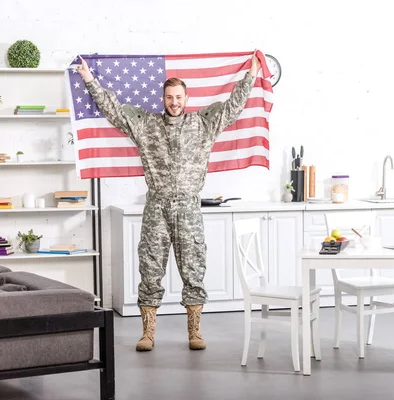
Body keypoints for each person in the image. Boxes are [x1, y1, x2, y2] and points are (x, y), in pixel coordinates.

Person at [77, 52, 262, 351]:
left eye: (178, 97)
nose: (174, 102)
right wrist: (89, 78)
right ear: (163, 99)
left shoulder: (204, 124)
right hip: (157, 207)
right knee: (150, 268)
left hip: (189, 207)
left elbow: (233, 107)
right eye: (169, 97)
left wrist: (251, 74)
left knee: (193, 268)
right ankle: (148, 333)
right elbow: (113, 110)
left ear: (186, 99)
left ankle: (195, 332)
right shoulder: (146, 125)